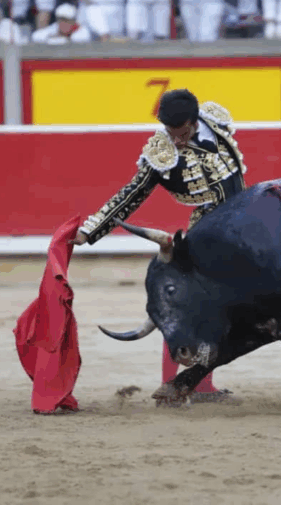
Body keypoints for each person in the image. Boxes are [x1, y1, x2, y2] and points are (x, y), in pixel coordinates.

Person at [71, 89, 247, 402]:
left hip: (245, 223)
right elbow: (131, 194)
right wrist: (89, 230)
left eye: (180, 134)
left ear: (194, 122)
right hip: (206, 234)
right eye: (170, 133)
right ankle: (179, 385)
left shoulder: (216, 121)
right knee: (188, 307)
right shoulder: (161, 153)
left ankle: (198, 384)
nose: (175, 141)